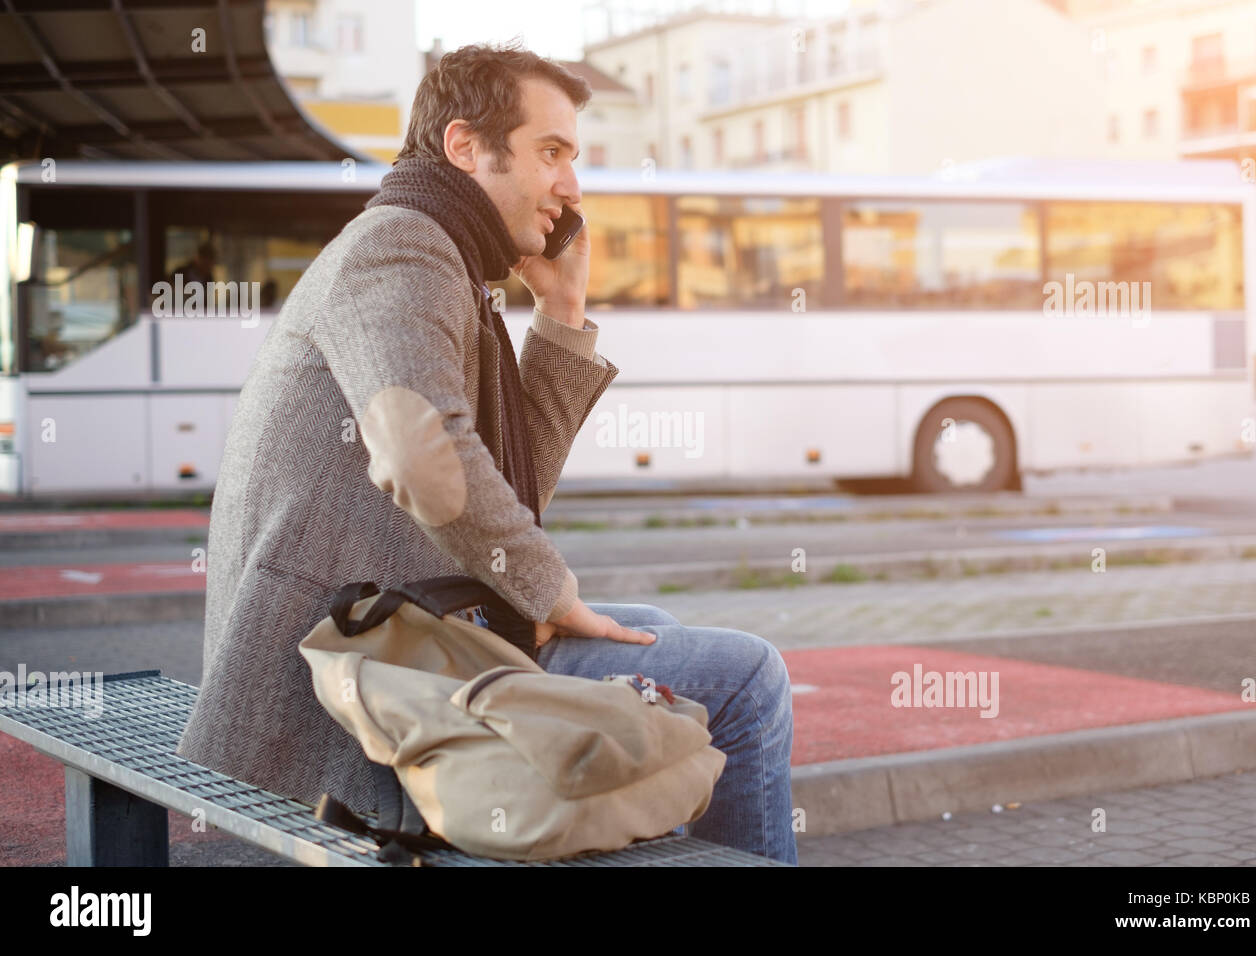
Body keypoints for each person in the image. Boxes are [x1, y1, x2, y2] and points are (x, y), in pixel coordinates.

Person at [175, 39, 796, 865]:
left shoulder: (437, 255)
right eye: (551, 153)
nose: (571, 187)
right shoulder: (403, 249)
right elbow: (424, 455)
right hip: (345, 681)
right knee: (749, 678)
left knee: (655, 638)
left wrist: (564, 309)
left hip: (389, 636)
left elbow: (511, 485)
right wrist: (549, 591)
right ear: (465, 146)